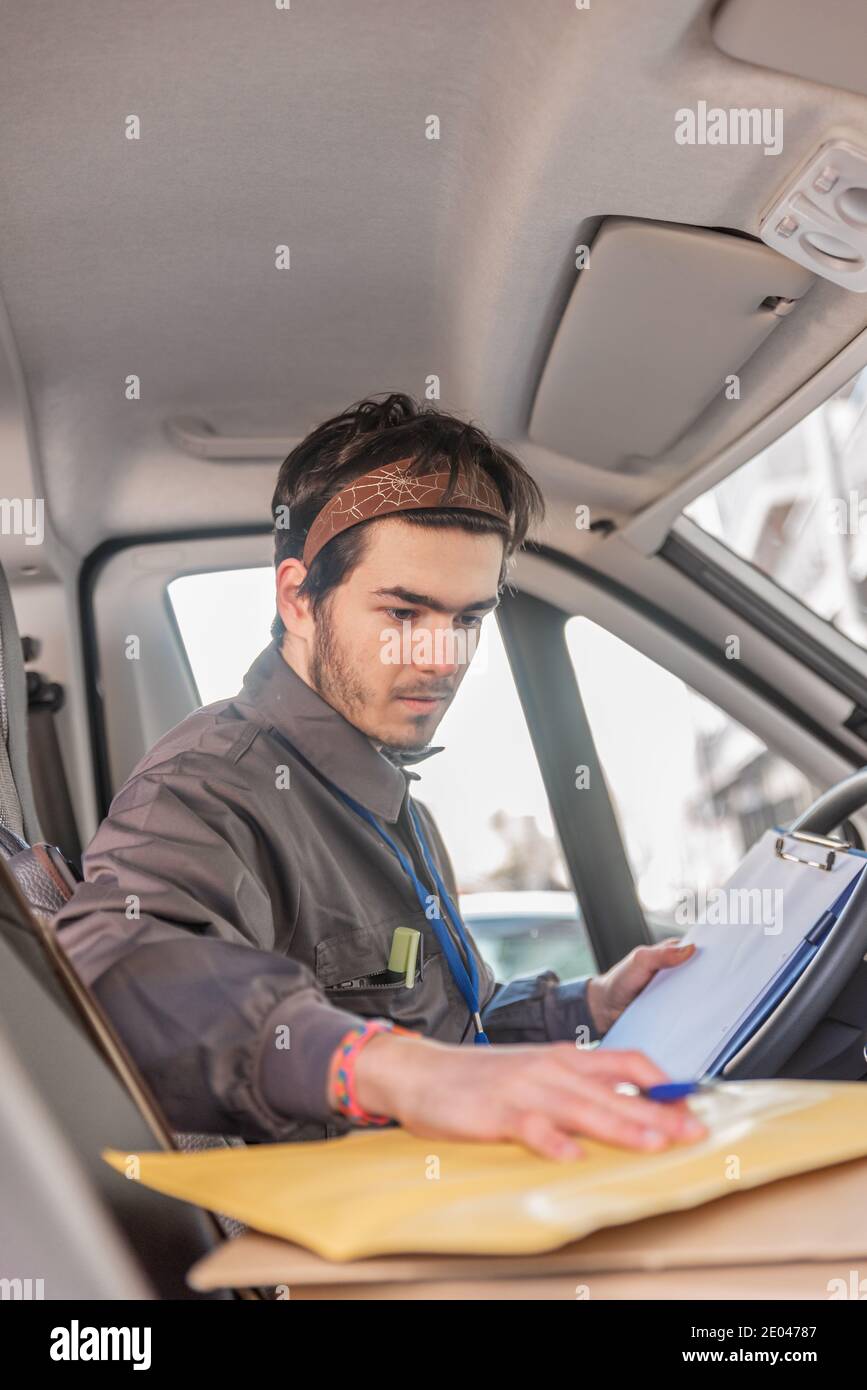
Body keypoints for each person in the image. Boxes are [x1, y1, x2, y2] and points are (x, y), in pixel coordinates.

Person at [55, 394, 706, 1161]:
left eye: (467, 619)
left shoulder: (394, 806)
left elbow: (447, 1029)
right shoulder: (208, 788)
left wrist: (589, 1005)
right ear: (299, 598)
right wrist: (389, 1071)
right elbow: (113, 968)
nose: (442, 659)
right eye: (403, 613)